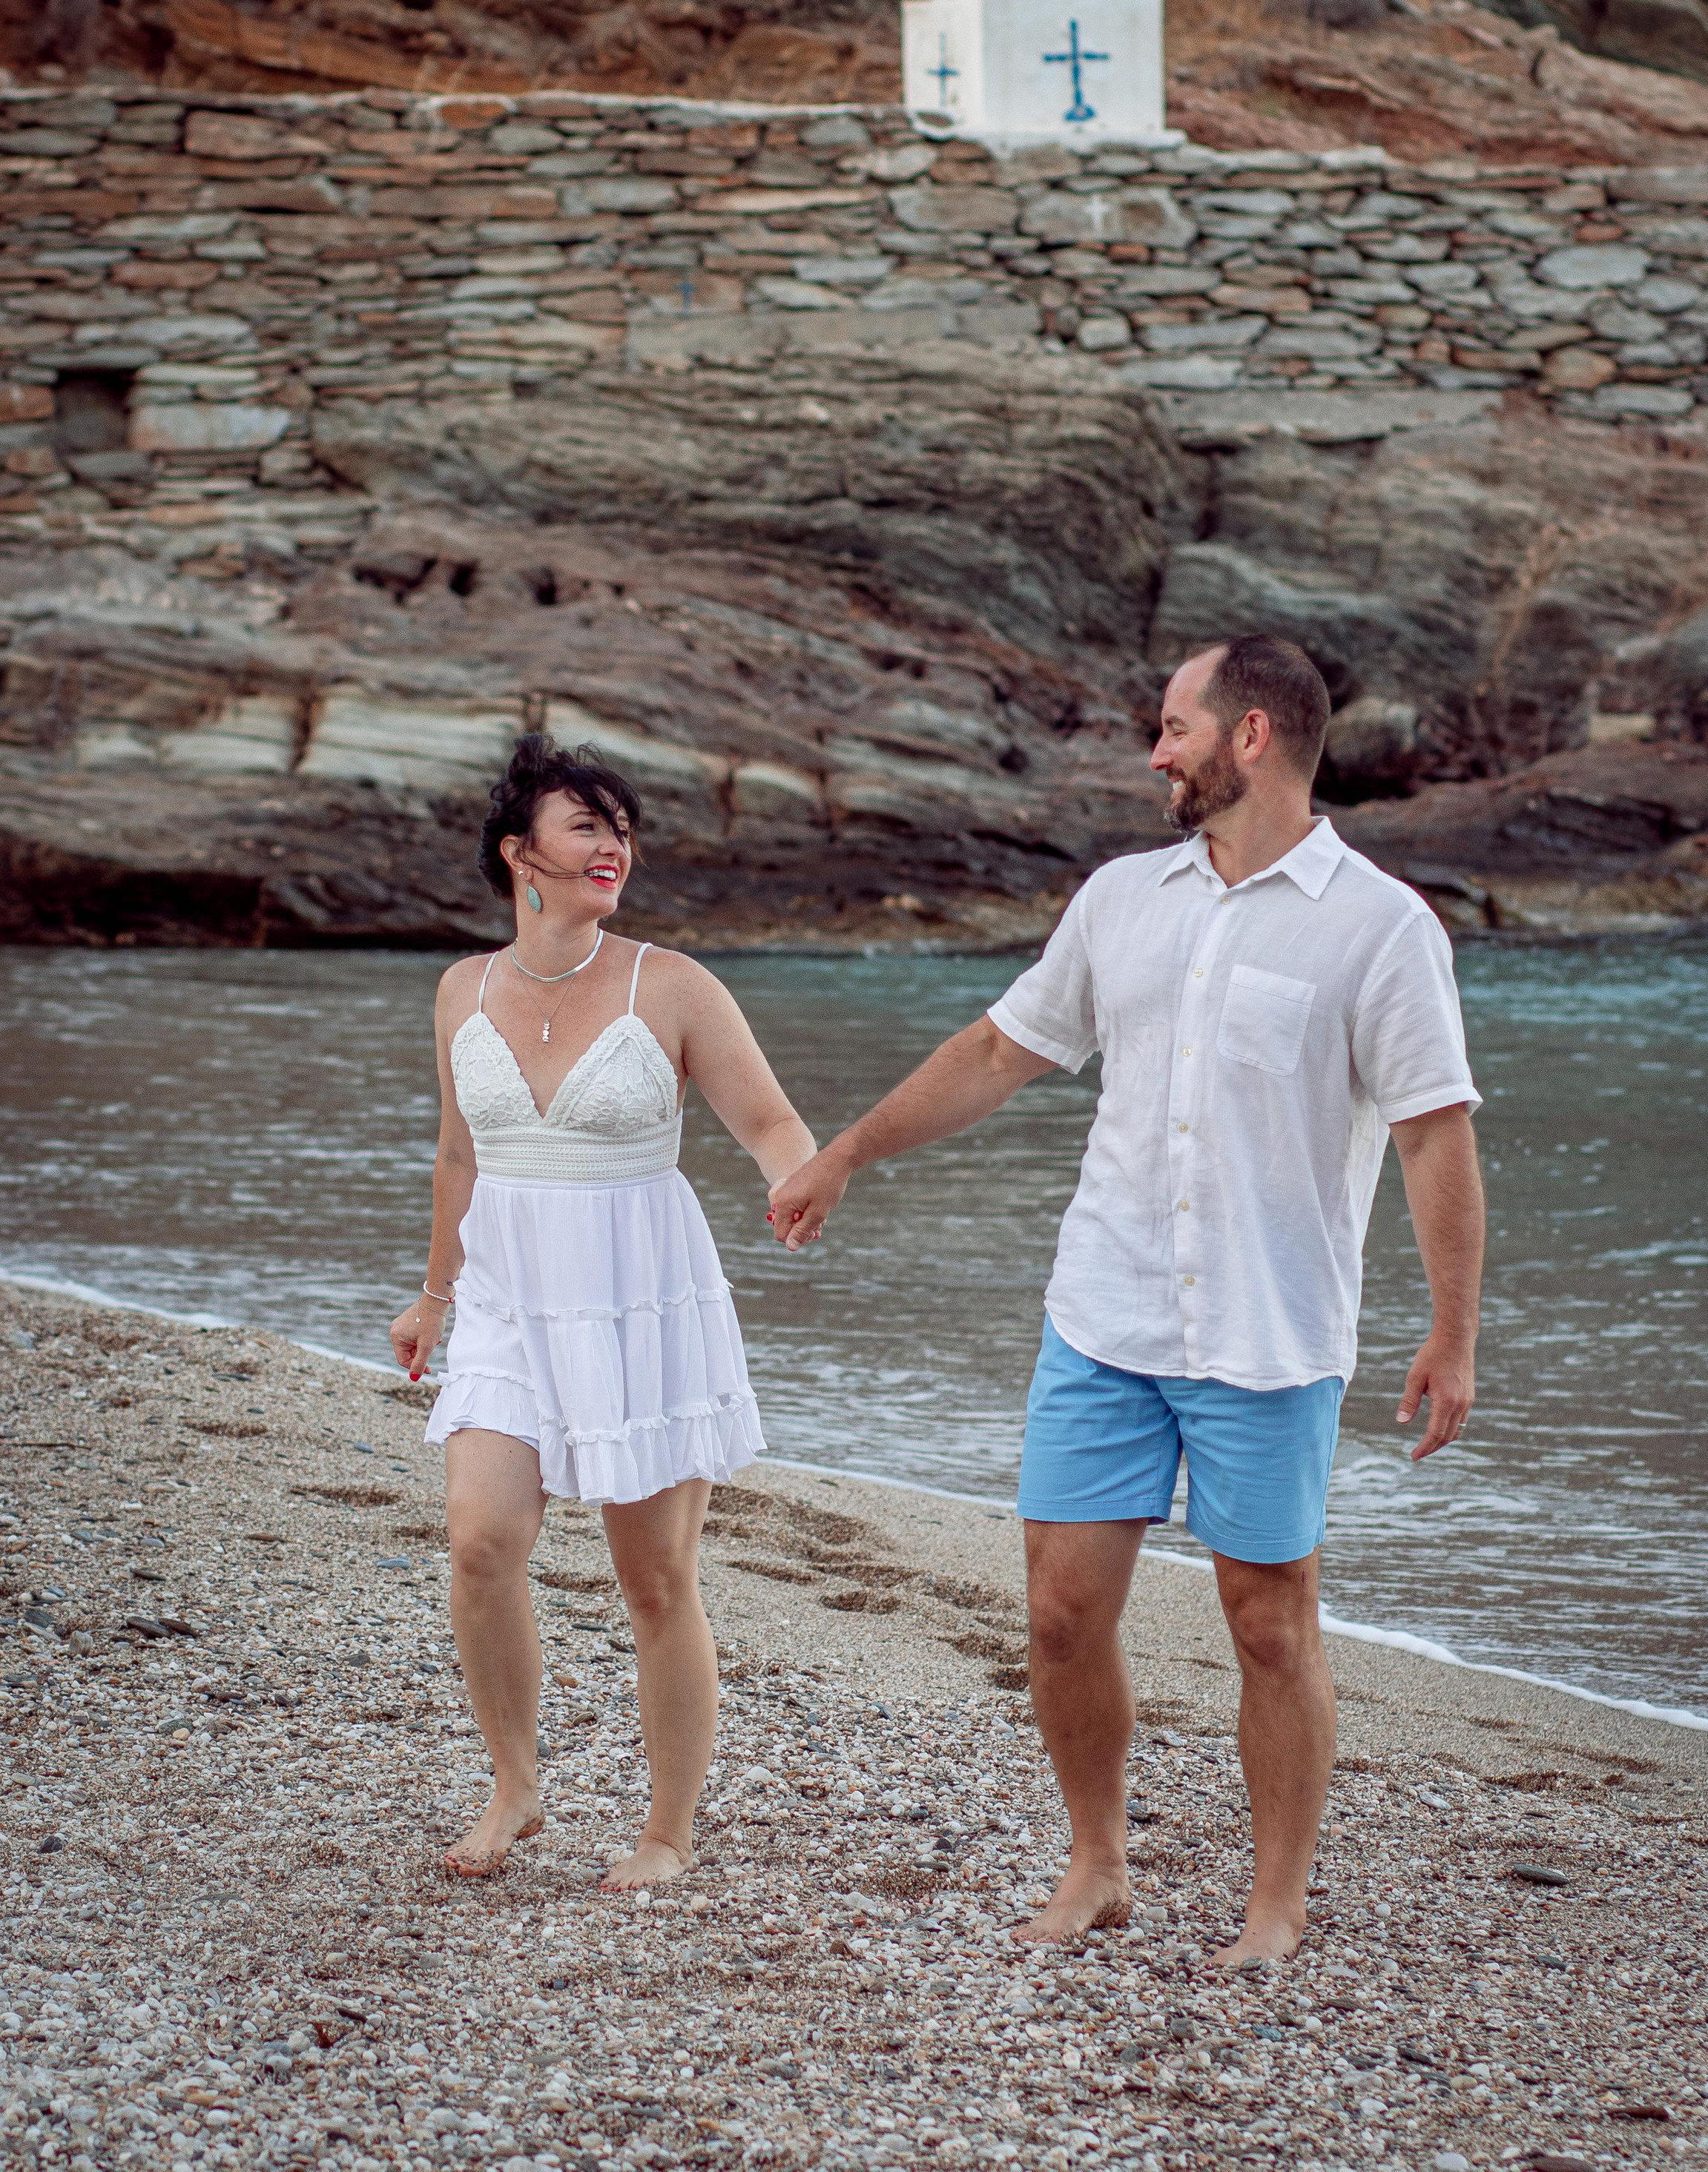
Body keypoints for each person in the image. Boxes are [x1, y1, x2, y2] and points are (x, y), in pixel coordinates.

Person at [768, 633, 1484, 1966]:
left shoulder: (1382, 928)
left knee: (1271, 1624)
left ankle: (1275, 1905)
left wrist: (1452, 1331)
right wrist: (849, 1149)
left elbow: (1437, 1134)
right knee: (1057, 1611)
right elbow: (1000, 1049)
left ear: (1251, 734)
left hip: (1269, 1336)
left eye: (1174, 727)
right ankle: (1098, 1864)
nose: (1156, 753)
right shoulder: (1120, 898)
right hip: (1105, 1315)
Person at [390, 733, 814, 1887]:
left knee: (655, 1581)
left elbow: (770, 1120)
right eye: (586, 825)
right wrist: (435, 1296)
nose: (611, 845)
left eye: (621, 828)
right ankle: (517, 1785)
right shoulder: (459, 989)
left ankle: (667, 1830)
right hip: (509, 1300)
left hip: (640, 1298)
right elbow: (456, 1157)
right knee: (480, 1542)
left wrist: (797, 1176)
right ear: (519, 852)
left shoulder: (669, 985)